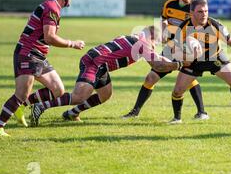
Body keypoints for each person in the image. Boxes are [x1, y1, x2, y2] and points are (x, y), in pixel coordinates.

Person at [28, 26, 186, 125]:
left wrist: (175, 62)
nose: (156, 45)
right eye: (157, 42)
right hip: (94, 63)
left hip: (99, 64)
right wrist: (178, 65)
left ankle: (72, 113)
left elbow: (158, 59)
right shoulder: (143, 44)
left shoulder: (137, 39)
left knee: (105, 94)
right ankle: (41, 106)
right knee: (79, 96)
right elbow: (157, 64)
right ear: (152, 37)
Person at [0, 0, 85, 137]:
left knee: (58, 89)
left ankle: (21, 107)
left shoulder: (52, 6)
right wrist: (72, 44)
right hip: (28, 53)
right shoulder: (52, 8)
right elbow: (49, 37)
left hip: (38, 55)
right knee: (21, 94)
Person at [122, 0, 209, 120]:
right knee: (151, 78)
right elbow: (163, 20)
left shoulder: (196, 9)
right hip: (170, 48)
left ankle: (202, 112)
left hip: (187, 50)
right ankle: (135, 111)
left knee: (187, 79)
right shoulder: (169, 4)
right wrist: (161, 33)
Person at [169, 0, 231, 124]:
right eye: (200, 12)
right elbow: (174, 50)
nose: (204, 14)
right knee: (177, 92)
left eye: (206, 11)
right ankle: (177, 118)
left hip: (215, 57)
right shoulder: (183, 28)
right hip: (193, 62)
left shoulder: (214, 24)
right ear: (191, 13)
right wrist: (184, 58)